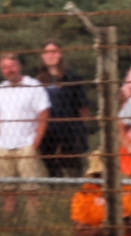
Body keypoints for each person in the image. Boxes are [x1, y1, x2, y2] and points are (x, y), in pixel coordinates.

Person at [0, 53, 50, 215]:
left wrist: (34, 144)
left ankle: (33, 220)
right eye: (4, 67)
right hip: (3, 145)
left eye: (11, 66)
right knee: (7, 188)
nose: (9, 70)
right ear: (1, 70)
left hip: (26, 144)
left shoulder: (33, 86)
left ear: (19, 66)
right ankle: (9, 218)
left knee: (30, 187)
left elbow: (43, 115)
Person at [70, 153, 131, 236]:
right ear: (92, 175)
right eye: (98, 174)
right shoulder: (83, 195)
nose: (103, 178)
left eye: (107, 173)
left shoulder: (128, 189)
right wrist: (106, 228)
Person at [35, 41, 89, 178]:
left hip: (69, 129)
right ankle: (56, 191)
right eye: (47, 52)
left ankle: (76, 190)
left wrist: (79, 127)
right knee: (51, 166)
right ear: (42, 56)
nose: (51, 56)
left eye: (54, 51)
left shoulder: (72, 77)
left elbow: (82, 105)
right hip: (47, 130)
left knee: (73, 165)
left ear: (60, 54)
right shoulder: (38, 81)